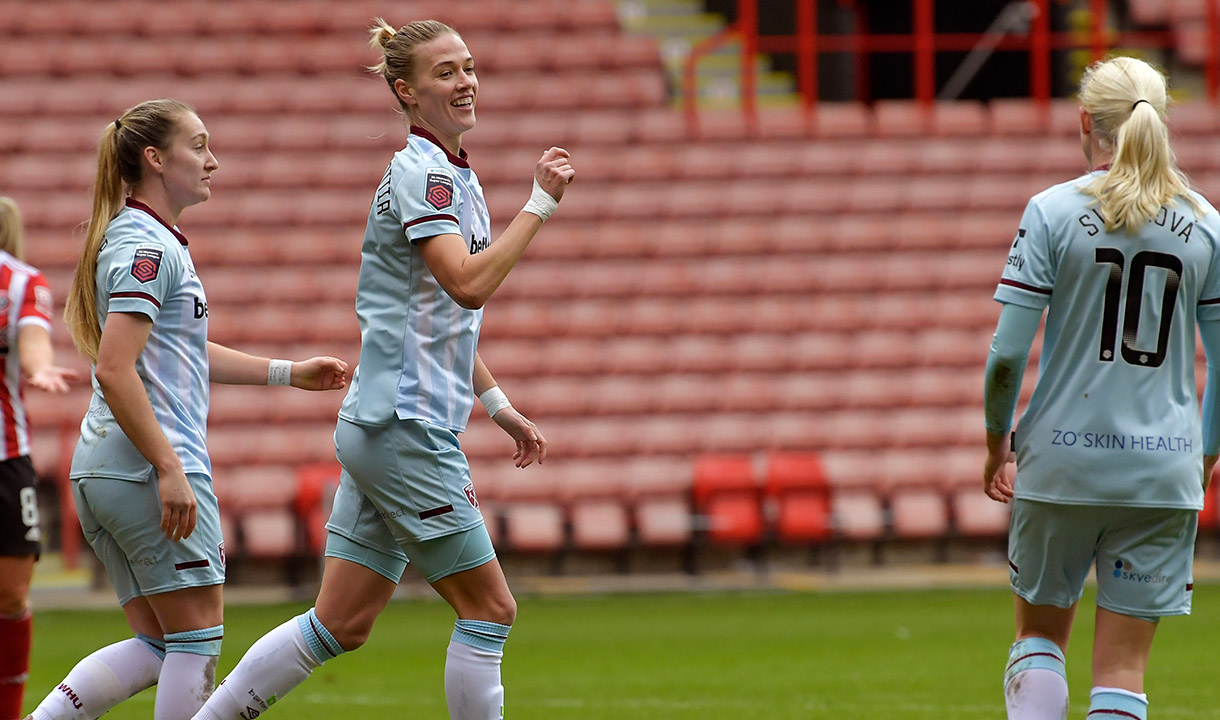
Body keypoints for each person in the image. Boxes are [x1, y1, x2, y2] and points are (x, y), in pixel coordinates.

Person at [189, 18, 574, 720]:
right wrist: (540, 205)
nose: (466, 81)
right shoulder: (423, 172)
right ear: (406, 89)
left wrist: (496, 403)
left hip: (384, 423)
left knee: (341, 624)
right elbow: (466, 285)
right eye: (446, 72)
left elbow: (437, 316)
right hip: (406, 429)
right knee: (490, 608)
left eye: (469, 66)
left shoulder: (450, 170)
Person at [23, 99, 349, 720]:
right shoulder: (148, 249)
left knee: (158, 644)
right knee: (196, 640)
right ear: (154, 158)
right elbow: (114, 369)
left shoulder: (145, 239)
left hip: (107, 470)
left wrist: (287, 373)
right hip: (144, 467)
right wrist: (169, 467)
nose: (212, 161)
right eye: (198, 146)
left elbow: (180, 350)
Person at [983, 56, 1220, 720]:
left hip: (1061, 460)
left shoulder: (1052, 212)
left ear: (1085, 122)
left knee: (1037, 642)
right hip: (1164, 468)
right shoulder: (1206, 225)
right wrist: (1203, 458)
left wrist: (994, 444)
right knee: (1123, 670)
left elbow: (1006, 354)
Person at [0, 197, 77, 720]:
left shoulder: (21, 282)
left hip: (6, 456)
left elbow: (34, 341)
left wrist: (40, 367)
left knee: (10, 594)